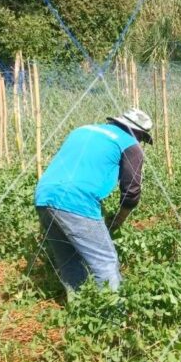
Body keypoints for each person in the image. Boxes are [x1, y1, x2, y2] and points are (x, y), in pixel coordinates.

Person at [34, 109, 153, 293]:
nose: (140, 143)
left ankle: (79, 311)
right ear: (137, 133)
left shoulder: (83, 130)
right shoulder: (130, 144)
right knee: (105, 261)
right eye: (142, 138)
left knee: (68, 260)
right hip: (76, 200)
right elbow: (131, 192)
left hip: (44, 195)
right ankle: (112, 317)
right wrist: (118, 220)